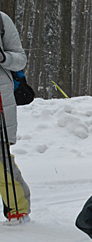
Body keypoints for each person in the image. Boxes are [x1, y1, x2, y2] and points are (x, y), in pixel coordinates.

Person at [0, 11, 31, 225]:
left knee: (1, 163)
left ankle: (18, 211)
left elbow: (20, 59)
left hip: (1, 101)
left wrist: (3, 58)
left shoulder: (1, 20)